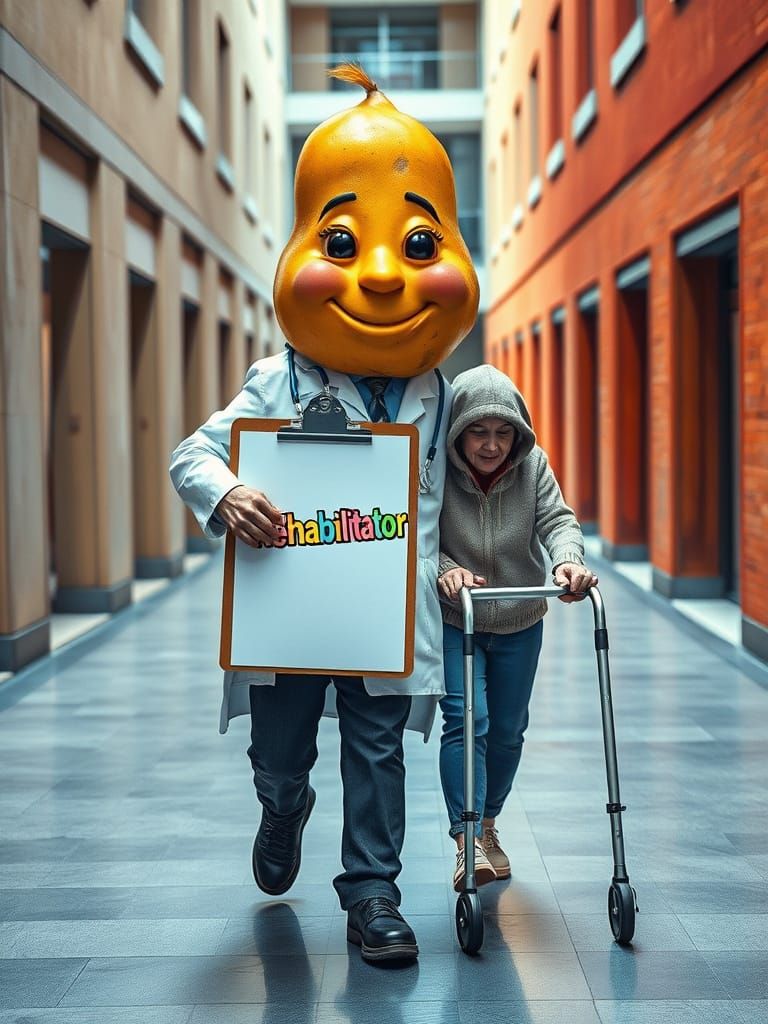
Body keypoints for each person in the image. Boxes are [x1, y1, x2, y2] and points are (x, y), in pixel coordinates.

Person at [169, 64, 479, 963]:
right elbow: (194, 452)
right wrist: (225, 492)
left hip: (385, 612)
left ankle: (372, 894)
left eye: (420, 247)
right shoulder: (281, 378)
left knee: (380, 752)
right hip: (293, 604)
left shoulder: (441, 391)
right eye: (341, 244)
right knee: (283, 744)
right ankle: (281, 804)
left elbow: (476, 485)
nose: (382, 275)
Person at [436, 364, 597, 890]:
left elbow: (558, 521)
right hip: (459, 616)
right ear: (458, 430)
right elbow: (411, 527)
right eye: (479, 432)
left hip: (521, 617)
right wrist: (444, 569)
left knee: (507, 731)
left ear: (519, 433)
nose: (491, 445)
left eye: (503, 432)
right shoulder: (433, 467)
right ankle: (466, 841)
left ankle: (487, 824)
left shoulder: (534, 466)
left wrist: (567, 561)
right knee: (467, 720)